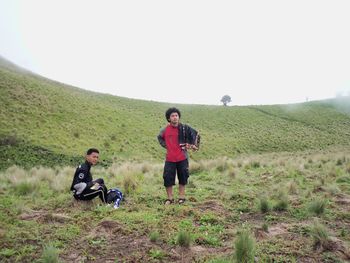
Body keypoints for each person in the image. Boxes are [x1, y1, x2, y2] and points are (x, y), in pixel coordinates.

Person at [157, 107, 200, 205]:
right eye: (172, 116)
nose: (175, 117)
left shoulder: (184, 128)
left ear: (178, 117)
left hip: (182, 157)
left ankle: (181, 197)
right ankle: (170, 199)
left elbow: (195, 135)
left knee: (183, 177)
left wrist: (193, 145)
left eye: (176, 115)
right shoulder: (165, 130)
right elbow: (159, 138)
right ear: (169, 118)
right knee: (167, 178)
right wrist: (166, 145)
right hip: (170, 158)